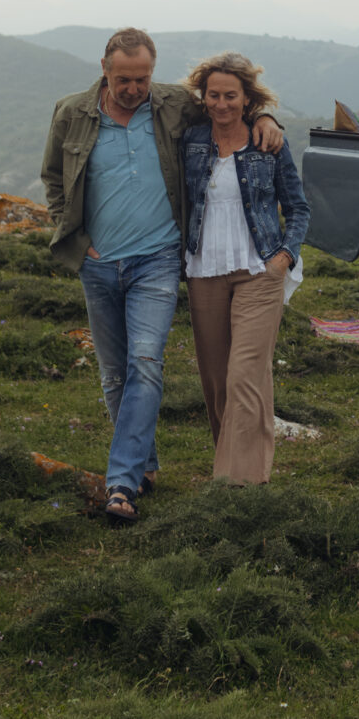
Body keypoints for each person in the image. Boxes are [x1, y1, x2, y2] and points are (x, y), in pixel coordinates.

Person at [40, 27, 286, 523]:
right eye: (124, 79)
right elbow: (53, 179)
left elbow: (228, 109)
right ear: (104, 69)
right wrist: (79, 244)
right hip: (98, 263)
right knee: (114, 374)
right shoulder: (71, 113)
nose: (134, 88)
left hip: (157, 258)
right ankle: (146, 466)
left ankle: (123, 484)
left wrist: (267, 119)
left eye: (143, 78)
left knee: (146, 363)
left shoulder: (173, 104)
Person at [180, 50, 311, 485]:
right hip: (204, 271)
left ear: (246, 98)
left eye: (230, 96)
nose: (221, 104)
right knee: (217, 383)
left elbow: (298, 208)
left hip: (259, 270)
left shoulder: (267, 143)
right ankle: (232, 467)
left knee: (245, 374)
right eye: (213, 95)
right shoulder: (191, 140)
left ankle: (241, 483)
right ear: (203, 97)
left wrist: (284, 257)